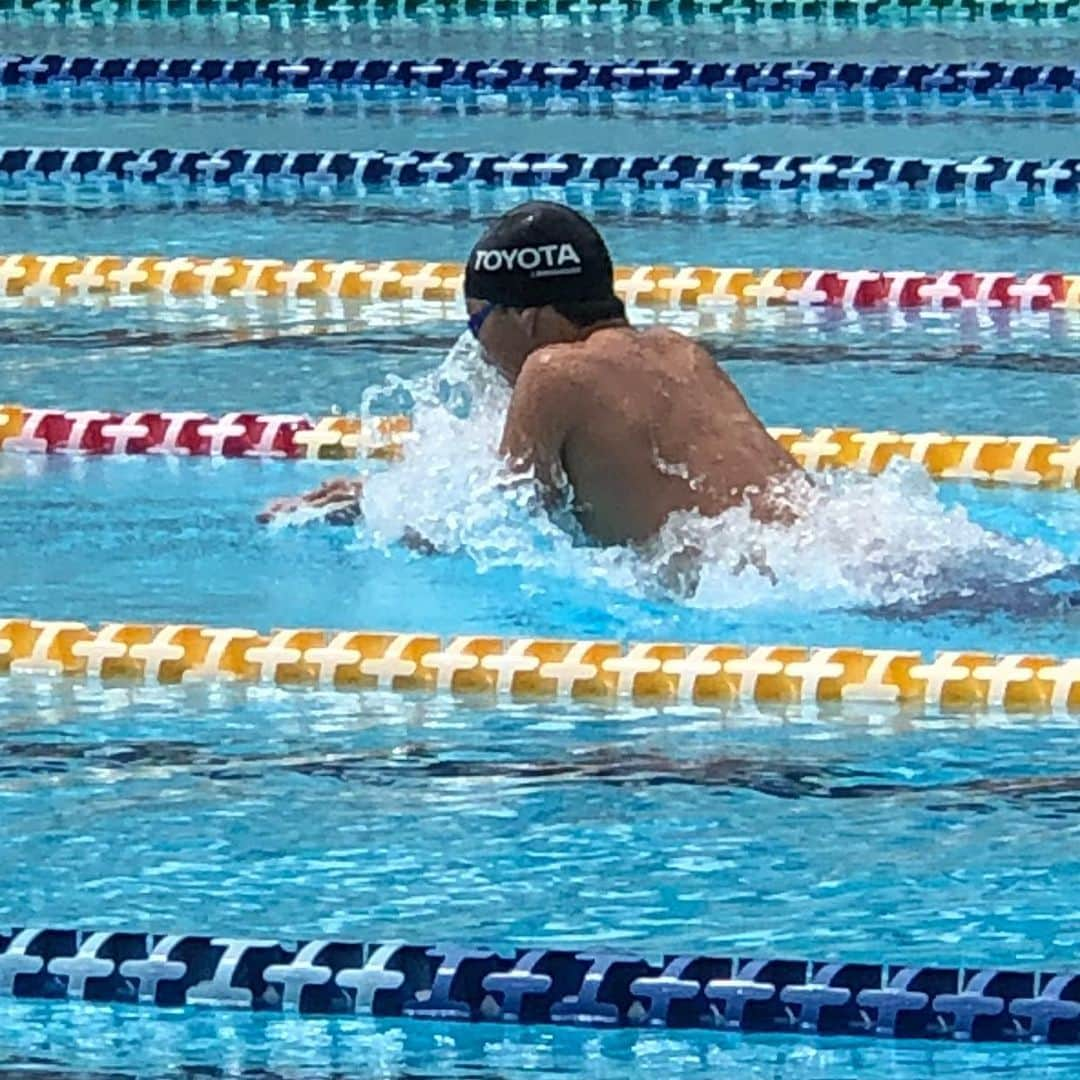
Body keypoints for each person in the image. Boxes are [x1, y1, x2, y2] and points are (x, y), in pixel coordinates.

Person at [258, 201, 800, 546]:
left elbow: (503, 533)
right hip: (827, 549)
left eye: (478, 320)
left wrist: (375, 512)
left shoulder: (553, 372)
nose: (474, 344)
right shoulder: (680, 352)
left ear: (529, 319)